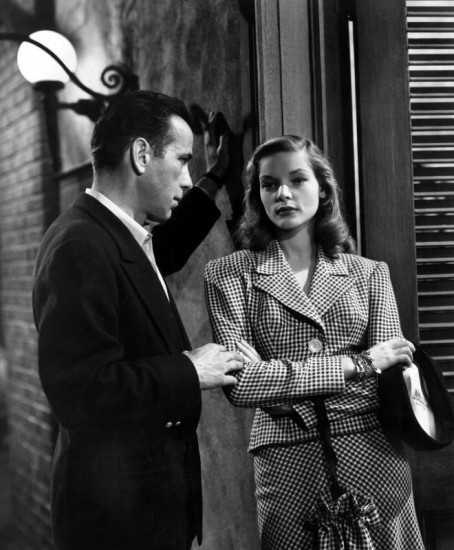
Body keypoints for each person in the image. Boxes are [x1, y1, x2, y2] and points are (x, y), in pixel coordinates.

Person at [32, 90, 243, 550]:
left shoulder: (114, 235)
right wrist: (190, 370)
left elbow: (158, 259)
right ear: (142, 155)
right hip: (116, 522)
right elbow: (82, 393)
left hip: (143, 511)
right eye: (182, 161)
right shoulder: (80, 246)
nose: (186, 178)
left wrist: (216, 178)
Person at [204, 135, 425, 549]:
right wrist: (358, 363)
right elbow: (242, 384)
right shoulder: (229, 273)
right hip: (287, 462)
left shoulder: (369, 273)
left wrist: (279, 388)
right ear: (257, 196)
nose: (283, 193)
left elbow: (389, 379)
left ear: (322, 189)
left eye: (297, 179)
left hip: (373, 451)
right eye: (269, 184)